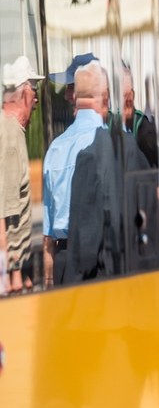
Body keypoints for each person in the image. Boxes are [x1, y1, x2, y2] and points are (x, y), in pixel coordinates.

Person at [42, 61, 110, 286]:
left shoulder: (55, 149)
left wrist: (50, 280)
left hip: (64, 261)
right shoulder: (107, 140)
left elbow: (48, 238)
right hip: (100, 259)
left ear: (75, 94)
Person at [0, 56, 44, 294]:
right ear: (25, 94)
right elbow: (3, 211)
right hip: (10, 279)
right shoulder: (10, 137)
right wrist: (11, 276)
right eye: (35, 90)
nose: (36, 99)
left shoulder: (10, 130)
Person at [121, 63, 159, 167]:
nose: (127, 101)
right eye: (123, 97)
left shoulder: (146, 132)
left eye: (129, 96)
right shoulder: (111, 128)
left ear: (133, 95)